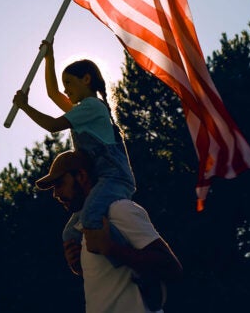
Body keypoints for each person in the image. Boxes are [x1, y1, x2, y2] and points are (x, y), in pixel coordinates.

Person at [13, 40, 136, 250]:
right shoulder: (82, 111)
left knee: (89, 217)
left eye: (69, 82)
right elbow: (53, 93)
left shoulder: (92, 107)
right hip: (100, 182)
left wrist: (25, 107)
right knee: (70, 232)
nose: (65, 89)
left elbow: (52, 125)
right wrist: (48, 57)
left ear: (86, 79)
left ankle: (130, 256)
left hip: (114, 178)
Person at [37, 150, 182, 313]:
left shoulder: (120, 209)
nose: (56, 194)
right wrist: (80, 267)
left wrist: (112, 249)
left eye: (59, 184)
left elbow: (172, 268)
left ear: (81, 176)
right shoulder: (84, 226)